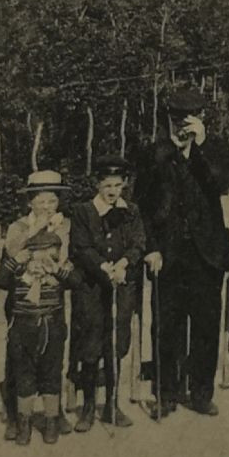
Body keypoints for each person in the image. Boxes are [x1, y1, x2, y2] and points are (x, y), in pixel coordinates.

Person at [134, 87, 229, 417]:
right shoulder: (154, 154)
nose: (181, 127)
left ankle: (202, 393)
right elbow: (143, 206)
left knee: (206, 327)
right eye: (176, 120)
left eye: (188, 121)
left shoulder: (217, 150)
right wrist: (151, 248)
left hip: (207, 254)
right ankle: (167, 394)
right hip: (169, 255)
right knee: (167, 327)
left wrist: (200, 147)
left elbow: (220, 183)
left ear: (202, 119)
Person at [0, 171, 78, 446]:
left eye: (52, 201)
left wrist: (56, 263)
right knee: (22, 366)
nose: (46, 208)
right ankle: (22, 421)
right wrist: (35, 230)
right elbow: (10, 257)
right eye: (41, 202)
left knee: (52, 364)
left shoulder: (64, 226)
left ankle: (53, 419)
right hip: (22, 306)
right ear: (30, 202)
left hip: (52, 302)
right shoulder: (18, 227)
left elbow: (68, 261)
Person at [68, 158, 147, 431]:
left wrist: (124, 263)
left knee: (115, 344)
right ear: (97, 185)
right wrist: (104, 267)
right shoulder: (83, 211)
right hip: (91, 288)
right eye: (107, 185)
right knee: (90, 344)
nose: (113, 191)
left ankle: (112, 405)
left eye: (118, 185)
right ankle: (89, 407)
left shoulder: (132, 211)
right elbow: (80, 247)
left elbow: (138, 243)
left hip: (122, 286)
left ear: (124, 184)